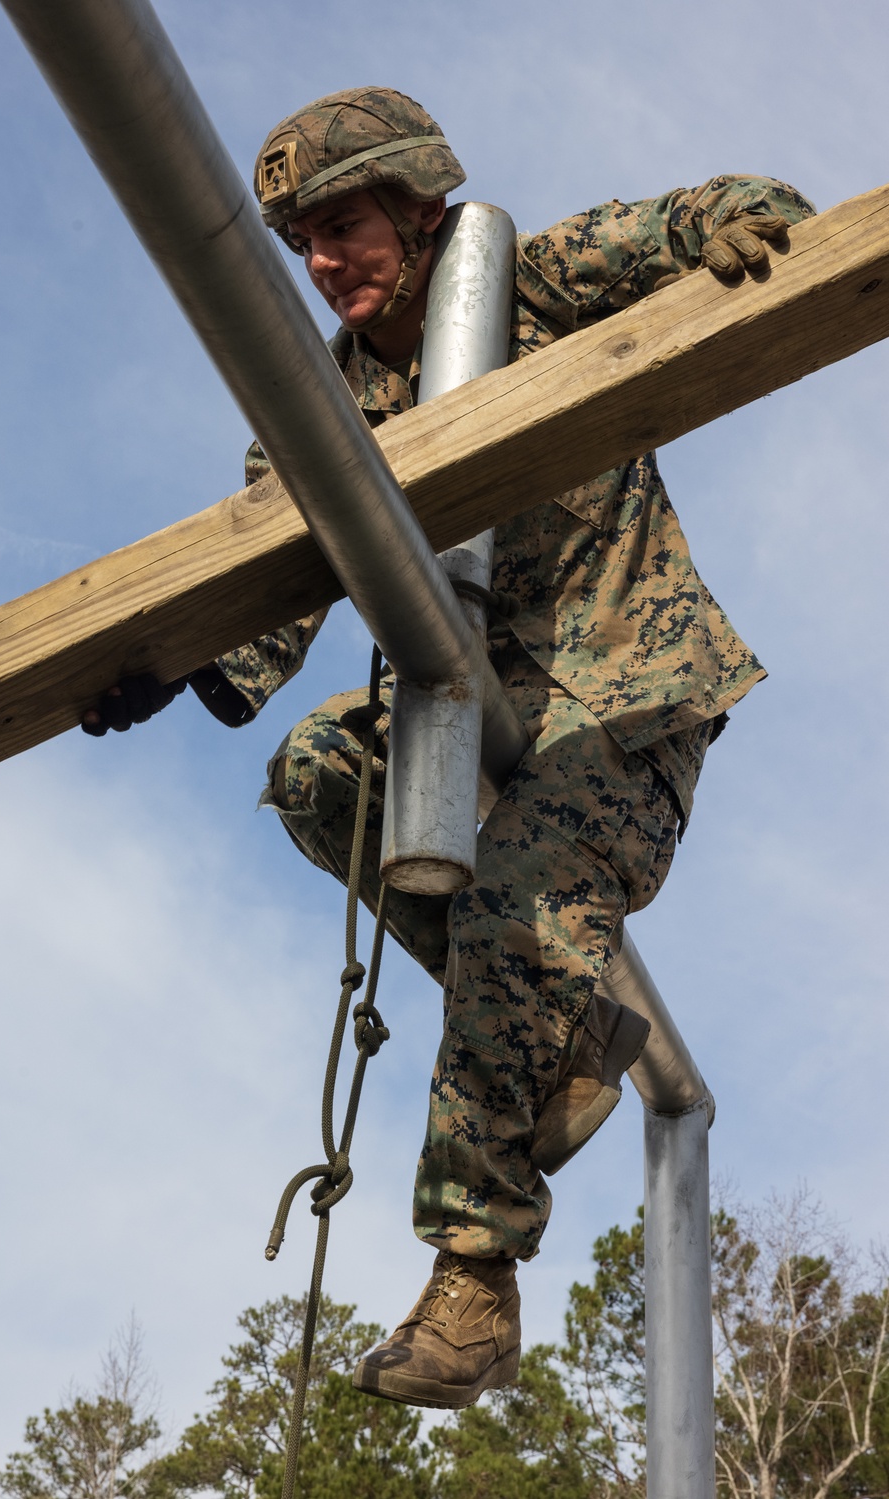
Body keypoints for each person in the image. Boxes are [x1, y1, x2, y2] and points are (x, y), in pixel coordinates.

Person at [83, 87, 813, 1411]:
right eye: (299, 243)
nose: (322, 263)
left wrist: (753, 228)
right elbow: (265, 565)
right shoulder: (329, 401)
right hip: (467, 710)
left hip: (623, 693)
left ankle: (474, 1277)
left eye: (344, 227)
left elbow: (693, 221)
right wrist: (175, 652)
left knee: (527, 893)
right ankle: (569, 1031)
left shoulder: (537, 280)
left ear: (422, 212)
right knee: (315, 773)